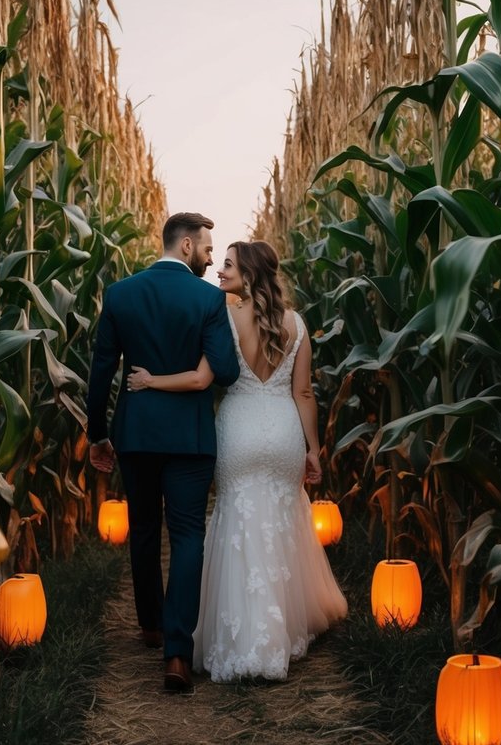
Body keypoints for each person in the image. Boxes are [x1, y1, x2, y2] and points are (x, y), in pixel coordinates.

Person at [127, 239, 347, 683]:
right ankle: (280, 633)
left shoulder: (223, 317)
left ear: (248, 274)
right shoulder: (297, 324)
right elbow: (304, 393)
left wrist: (151, 380)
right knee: (282, 520)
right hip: (283, 429)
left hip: (239, 429)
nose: (219, 271)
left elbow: (202, 379)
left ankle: (243, 638)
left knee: (239, 521)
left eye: (227, 264)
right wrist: (314, 448)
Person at [86, 212, 240, 694]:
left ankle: (150, 626)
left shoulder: (120, 294)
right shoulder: (208, 299)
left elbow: (102, 372)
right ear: (188, 245)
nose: (211, 257)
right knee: (188, 534)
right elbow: (228, 372)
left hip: (136, 434)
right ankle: (177, 652)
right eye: (209, 248)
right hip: (190, 438)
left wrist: (97, 434)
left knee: (146, 530)